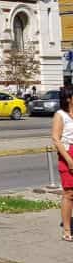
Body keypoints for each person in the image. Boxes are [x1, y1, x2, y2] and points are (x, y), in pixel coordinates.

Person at [51, 85, 73, 242]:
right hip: (68, 153)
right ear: (68, 98)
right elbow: (55, 139)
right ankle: (66, 228)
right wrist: (69, 160)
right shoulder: (60, 115)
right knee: (69, 193)